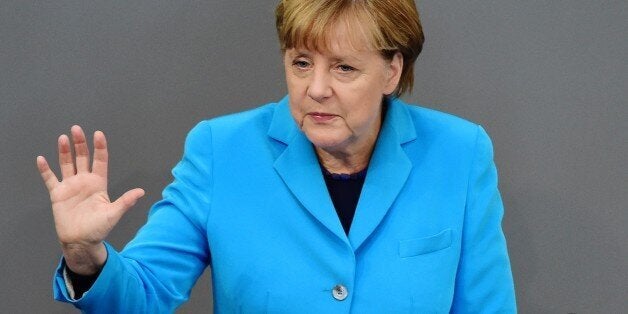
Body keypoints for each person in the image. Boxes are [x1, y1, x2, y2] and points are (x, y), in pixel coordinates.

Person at [37, 0, 516, 312]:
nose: (316, 89)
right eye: (301, 63)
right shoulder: (220, 150)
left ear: (392, 72)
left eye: (344, 68)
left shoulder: (460, 153)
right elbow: (142, 294)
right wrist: (85, 256)